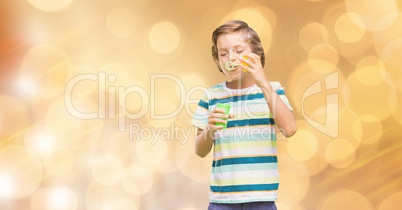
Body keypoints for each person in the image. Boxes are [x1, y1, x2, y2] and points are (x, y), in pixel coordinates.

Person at [190, 20, 297, 210]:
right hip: (222, 202)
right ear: (217, 60)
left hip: (262, 200)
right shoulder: (211, 96)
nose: (230, 58)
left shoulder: (272, 91)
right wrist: (210, 130)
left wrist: (263, 82)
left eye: (239, 51)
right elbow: (200, 150)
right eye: (223, 54)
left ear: (256, 54)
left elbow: (289, 129)